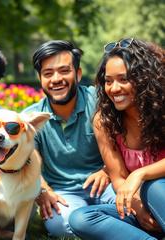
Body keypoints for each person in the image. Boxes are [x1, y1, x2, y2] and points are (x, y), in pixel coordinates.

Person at [69, 38, 165, 240]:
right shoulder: (104, 122)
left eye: (124, 79)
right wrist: (138, 208)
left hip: (158, 193)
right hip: (142, 203)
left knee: (153, 187)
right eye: (108, 80)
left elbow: (134, 179)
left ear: (145, 79)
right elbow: (118, 177)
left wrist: (140, 174)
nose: (114, 88)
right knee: (81, 218)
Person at [23, 40, 116, 237]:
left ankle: (90, 222)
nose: (56, 79)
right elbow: (26, 162)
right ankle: (109, 225)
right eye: (48, 73)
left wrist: (107, 170)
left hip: (106, 184)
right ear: (40, 78)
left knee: (129, 202)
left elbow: (124, 141)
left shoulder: (100, 102)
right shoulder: (31, 118)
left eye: (64, 71)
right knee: (59, 225)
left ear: (78, 74)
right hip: (64, 194)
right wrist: (43, 190)